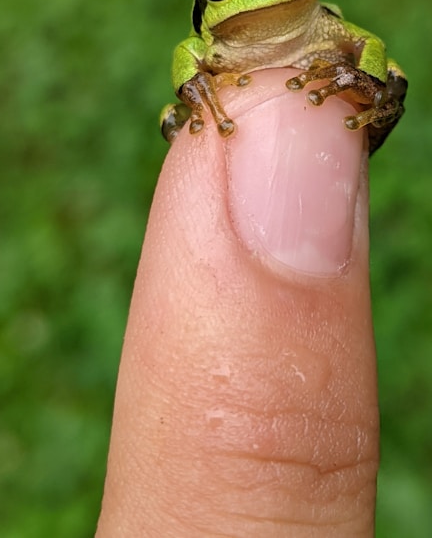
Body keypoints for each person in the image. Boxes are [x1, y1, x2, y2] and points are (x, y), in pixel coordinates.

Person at [96, 69, 380, 536]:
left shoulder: (329, 33)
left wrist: (367, 82)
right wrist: (192, 84)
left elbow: (369, 51)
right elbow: (186, 57)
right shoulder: (208, 51)